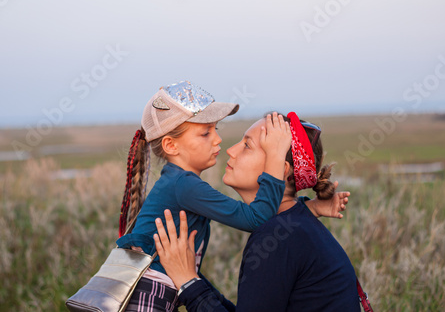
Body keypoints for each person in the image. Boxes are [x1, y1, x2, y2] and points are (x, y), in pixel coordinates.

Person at [118, 82, 347, 312]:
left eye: (247, 145)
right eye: (206, 132)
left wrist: (189, 282)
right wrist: (189, 280)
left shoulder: (278, 238)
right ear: (170, 145)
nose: (228, 148)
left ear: (281, 169)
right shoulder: (293, 229)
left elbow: (257, 218)